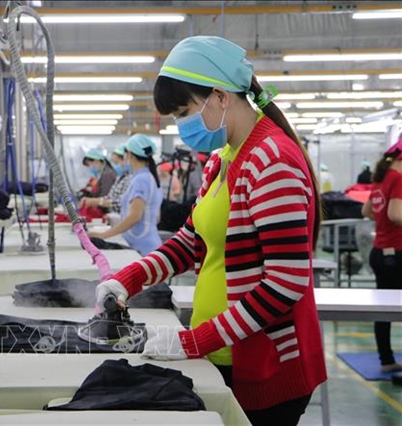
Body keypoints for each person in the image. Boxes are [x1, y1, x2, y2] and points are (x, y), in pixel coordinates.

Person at [95, 36, 326, 425]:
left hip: (265, 360)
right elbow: (189, 242)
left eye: (184, 111)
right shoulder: (221, 160)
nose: (181, 126)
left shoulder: (272, 161)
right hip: (222, 350)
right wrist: (126, 280)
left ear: (220, 96)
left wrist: (193, 341)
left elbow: (285, 284)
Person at [361, 140, 402, 373]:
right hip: (396, 252)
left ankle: (386, 360)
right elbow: (395, 213)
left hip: (380, 253)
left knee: (384, 311)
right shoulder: (397, 179)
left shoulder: (380, 180)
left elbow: (366, 211)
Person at [87, 134, 163, 256]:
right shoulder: (145, 177)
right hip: (142, 243)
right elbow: (152, 216)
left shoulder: (141, 180)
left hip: (143, 247)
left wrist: (104, 235)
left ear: (130, 155)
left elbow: (134, 217)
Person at [81, 144, 131, 214]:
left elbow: (110, 198)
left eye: (90, 164)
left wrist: (95, 201)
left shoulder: (108, 174)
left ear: (96, 161)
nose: (121, 165)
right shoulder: (104, 174)